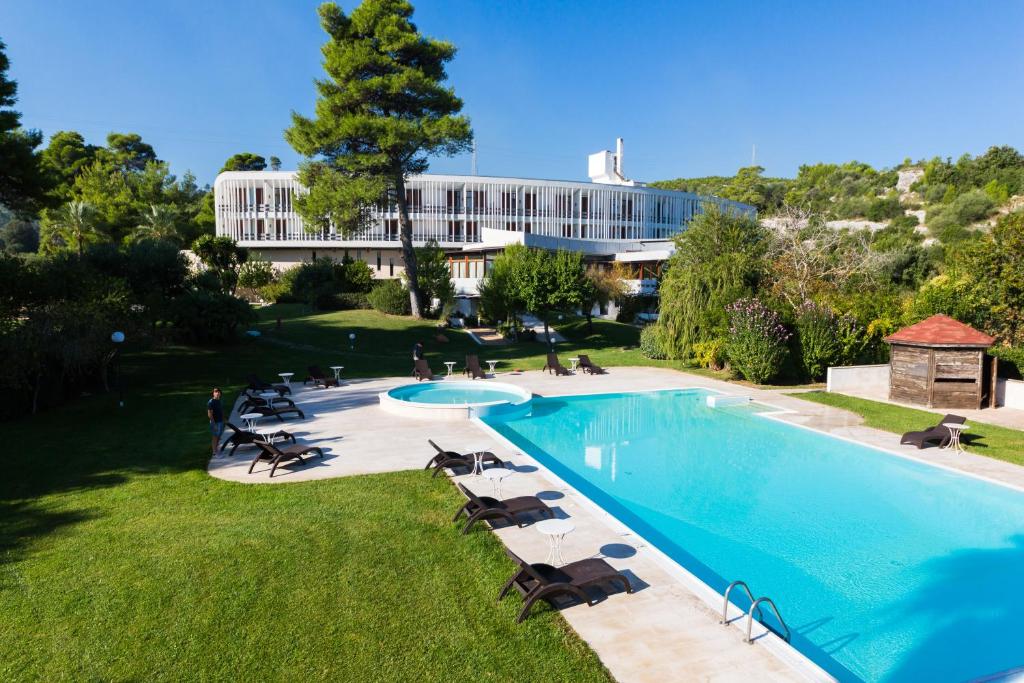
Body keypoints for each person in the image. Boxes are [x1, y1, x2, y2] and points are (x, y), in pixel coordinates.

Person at [207, 387, 224, 457]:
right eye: (216, 392)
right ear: (213, 393)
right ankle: (214, 452)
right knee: (215, 437)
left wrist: (224, 419)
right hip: (215, 422)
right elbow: (210, 414)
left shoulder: (218, 401)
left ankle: (217, 450)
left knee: (218, 436)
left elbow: (220, 411)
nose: (217, 393)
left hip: (220, 421)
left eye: (218, 392)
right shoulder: (211, 402)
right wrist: (214, 424)